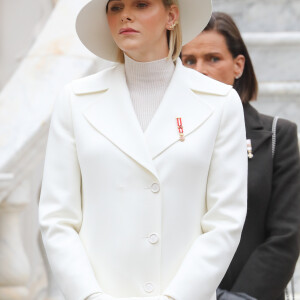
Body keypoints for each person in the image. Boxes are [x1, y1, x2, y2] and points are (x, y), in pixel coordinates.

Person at [39, 2, 248, 300]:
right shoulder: (75, 100)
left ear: (172, 15)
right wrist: (89, 296)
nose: (125, 14)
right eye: (115, 7)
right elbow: (57, 219)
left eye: (141, 4)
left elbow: (224, 222)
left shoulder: (221, 103)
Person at [181, 11, 300, 300]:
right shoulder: (162, 136)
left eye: (213, 58)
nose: (200, 71)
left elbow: (285, 236)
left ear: (238, 65)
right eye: (189, 61)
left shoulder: (277, 136)